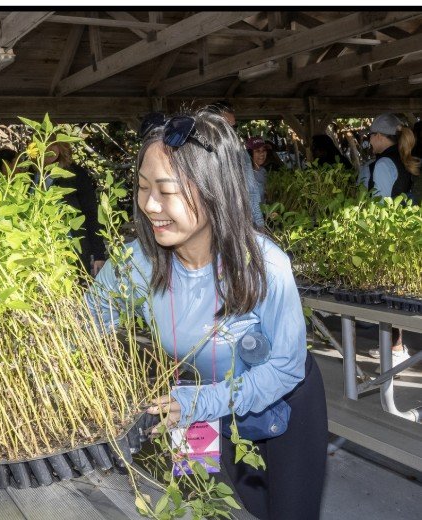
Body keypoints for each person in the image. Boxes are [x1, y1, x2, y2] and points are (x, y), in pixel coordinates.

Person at [86, 109, 327, 520]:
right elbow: (84, 325)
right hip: (197, 400)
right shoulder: (135, 264)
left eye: (167, 191)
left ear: (214, 189)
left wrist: (199, 402)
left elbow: (285, 367)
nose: (150, 205)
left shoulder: (264, 264)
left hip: (284, 401)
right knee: (219, 506)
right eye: (142, 187)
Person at [363, 113, 420, 366]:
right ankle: (394, 345)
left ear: (378, 136)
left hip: (387, 236)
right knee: (396, 292)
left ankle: (394, 348)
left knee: (387, 294)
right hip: (404, 232)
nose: (369, 142)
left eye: (370, 136)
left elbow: (381, 206)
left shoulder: (383, 164)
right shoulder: (403, 159)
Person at [44, 142, 106, 277]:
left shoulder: (76, 174)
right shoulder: (31, 175)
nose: (47, 149)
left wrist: (99, 254)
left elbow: (91, 213)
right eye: (42, 144)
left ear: (61, 147)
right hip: (42, 249)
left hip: (73, 249)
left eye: (52, 144)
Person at [204, 101, 265, 228]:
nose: (231, 132)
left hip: (238, 224)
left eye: (233, 127)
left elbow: (252, 192)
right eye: (226, 127)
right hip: (209, 225)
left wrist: (259, 223)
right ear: (210, 124)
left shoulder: (240, 154)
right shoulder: (196, 153)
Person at [245, 137, 269, 205]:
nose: (262, 154)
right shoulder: (246, 174)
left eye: (264, 150)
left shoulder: (263, 171)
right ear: (250, 153)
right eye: (257, 151)